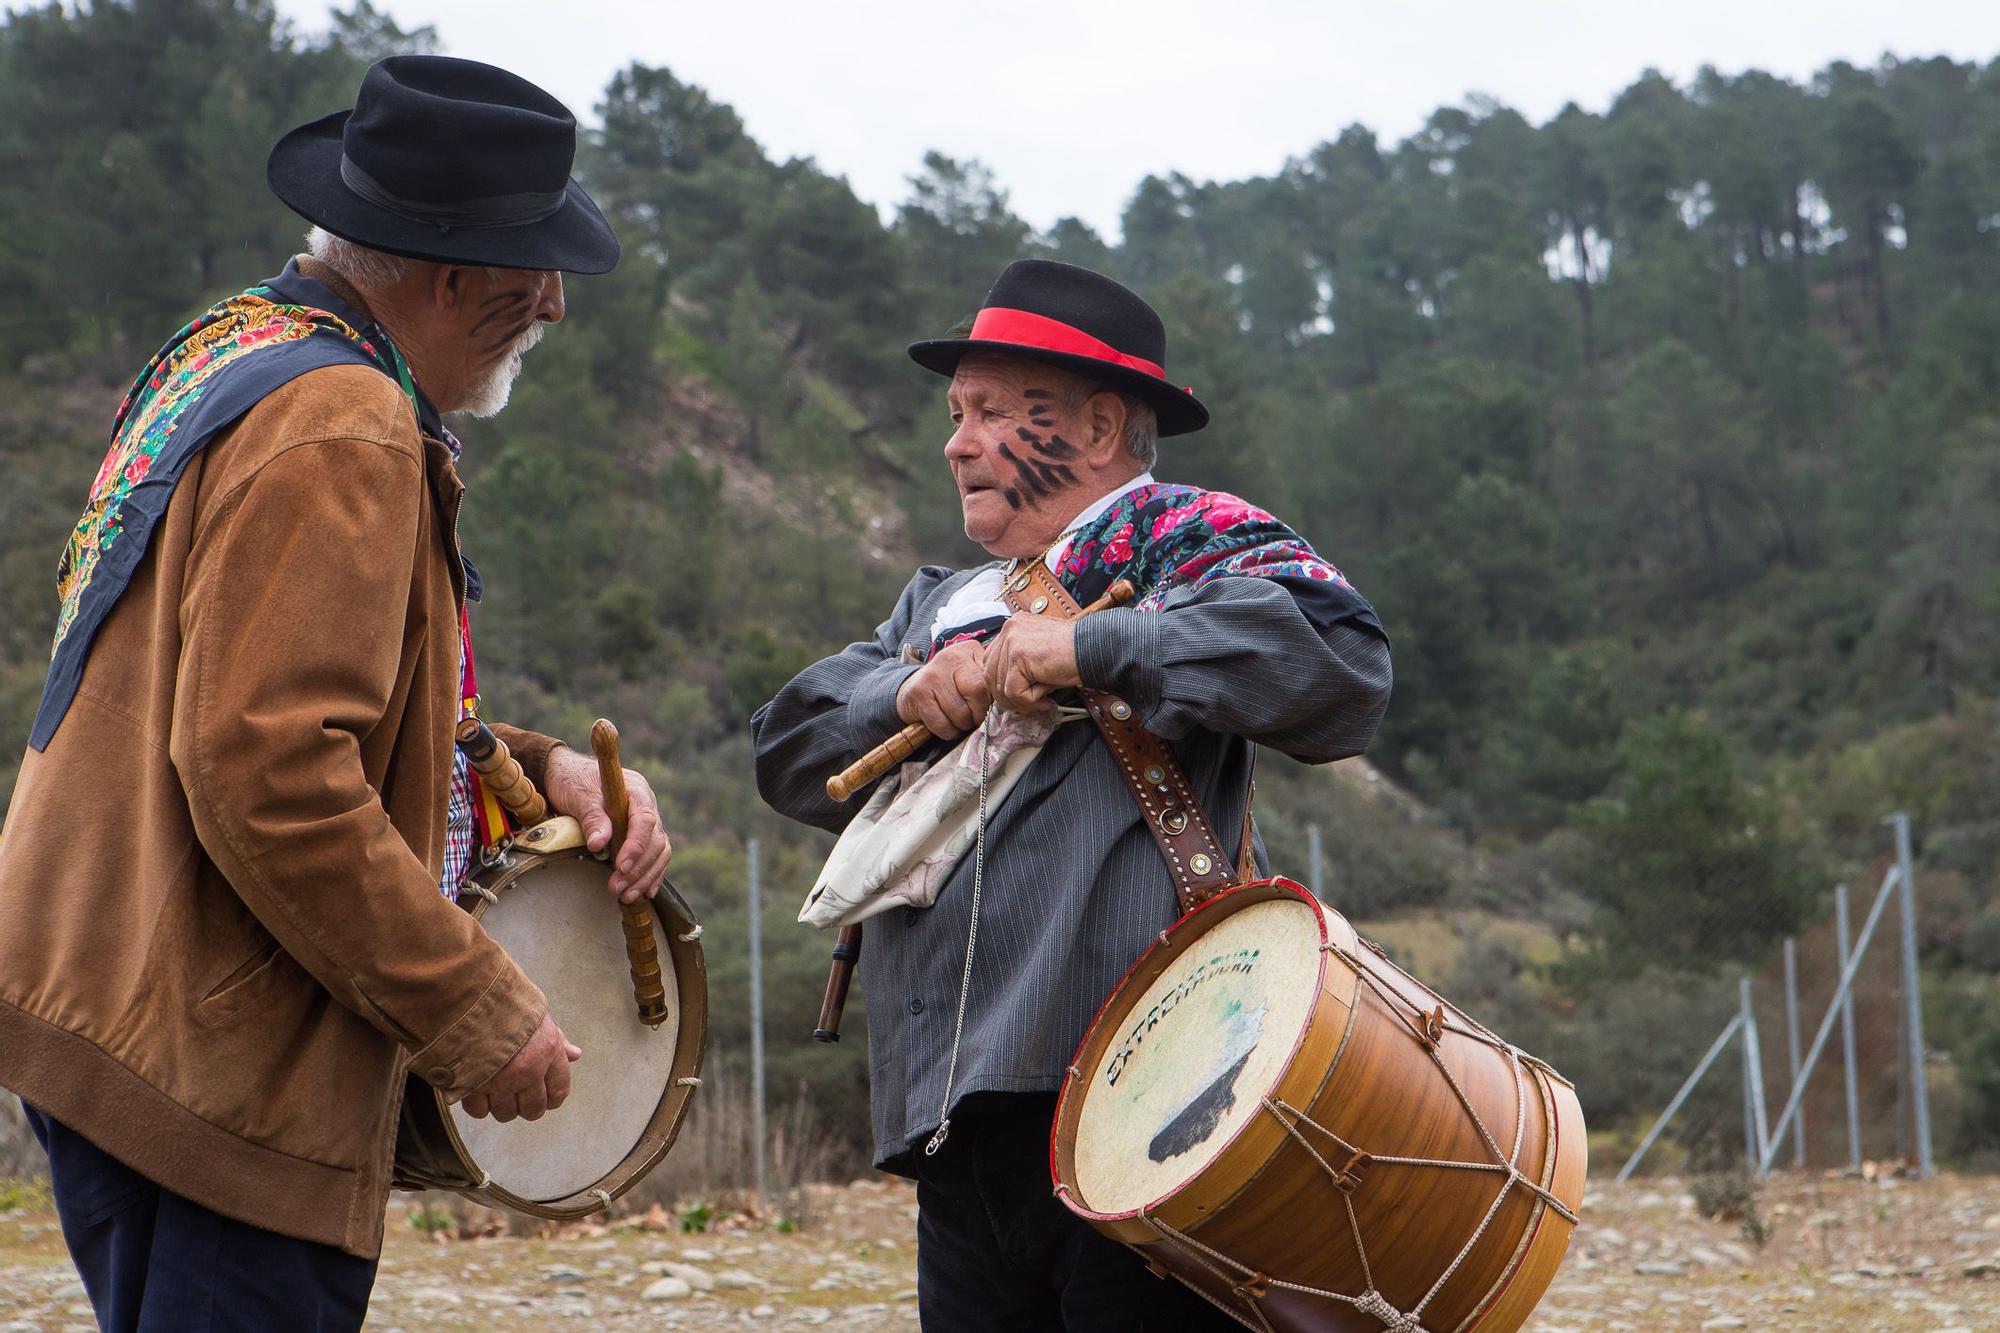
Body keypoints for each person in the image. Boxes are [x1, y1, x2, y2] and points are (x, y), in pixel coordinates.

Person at [0, 56, 672, 1330]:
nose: (554, 306)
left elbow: (235, 690)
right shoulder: (344, 422)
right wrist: (470, 1006)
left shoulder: (236, 348)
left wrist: (532, 766)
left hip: (118, 1001)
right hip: (211, 1061)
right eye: (533, 269)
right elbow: (270, 770)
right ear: (445, 271)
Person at [753, 258, 1394, 1330]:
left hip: (1155, 1101)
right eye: (955, 413)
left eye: (994, 412)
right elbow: (787, 744)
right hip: (956, 1125)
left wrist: (1086, 645)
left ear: (1099, 429)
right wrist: (909, 684)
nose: (954, 442)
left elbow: (1342, 668)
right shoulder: (941, 604)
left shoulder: (1190, 542)